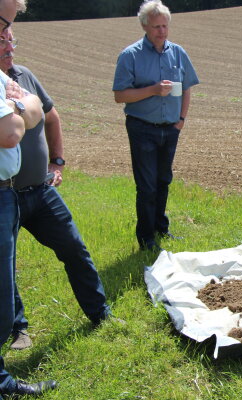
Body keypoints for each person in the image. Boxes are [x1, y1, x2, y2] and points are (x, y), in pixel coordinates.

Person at [0, 26, 117, 354]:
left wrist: (58, 162)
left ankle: (99, 313)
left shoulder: (24, 77)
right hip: (4, 194)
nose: (9, 47)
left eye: (12, 41)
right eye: (2, 41)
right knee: (6, 269)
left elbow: (52, 118)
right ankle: (18, 330)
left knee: (74, 248)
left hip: (40, 190)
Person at [0, 1, 58, 397]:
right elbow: (12, 132)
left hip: (12, 193)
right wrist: (24, 106)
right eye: (3, 28)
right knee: (2, 298)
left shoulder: (15, 77)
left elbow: (43, 113)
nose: (9, 37)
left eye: (10, 30)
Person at [113, 0, 199, 251]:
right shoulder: (130, 55)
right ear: (144, 27)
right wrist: (152, 90)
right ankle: (146, 238)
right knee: (147, 185)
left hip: (170, 128)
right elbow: (120, 95)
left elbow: (186, 88)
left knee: (163, 180)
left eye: (164, 26)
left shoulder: (178, 52)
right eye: (156, 27)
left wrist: (181, 120)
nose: (161, 31)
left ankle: (161, 228)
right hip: (142, 128)